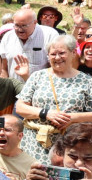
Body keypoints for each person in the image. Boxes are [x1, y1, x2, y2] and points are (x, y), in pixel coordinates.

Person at [15, 34, 92, 162]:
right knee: (35, 178)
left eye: (62, 53)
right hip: (34, 144)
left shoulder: (87, 81)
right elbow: (20, 107)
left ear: (73, 53)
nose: (57, 58)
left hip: (69, 146)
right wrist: (46, 113)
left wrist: (72, 118)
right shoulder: (38, 76)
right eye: (52, 54)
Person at [0, 8, 58, 77]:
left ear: (35, 23)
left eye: (24, 25)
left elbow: (55, 66)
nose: (20, 29)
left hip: (39, 86)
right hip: (13, 86)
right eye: (17, 25)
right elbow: (3, 68)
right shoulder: (8, 37)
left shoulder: (49, 35)